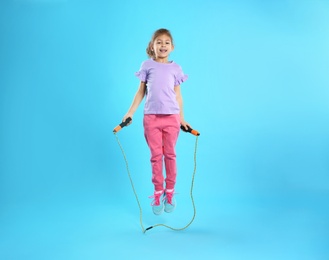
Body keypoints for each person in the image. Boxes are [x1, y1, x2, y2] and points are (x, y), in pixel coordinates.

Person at [122, 28, 190, 215]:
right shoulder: (146, 65)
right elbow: (141, 92)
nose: (163, 45)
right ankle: (157, 192)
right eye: (158, 42)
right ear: (152, 46)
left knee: (170, 155)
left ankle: (170, 193)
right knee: (155, 157)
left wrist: (182, 118)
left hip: (172, 118)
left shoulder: (176, 69)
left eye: (166, 42)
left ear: (172, 47)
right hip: (151, 118)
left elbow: (178, 96)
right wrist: (130, 113)